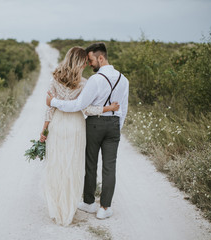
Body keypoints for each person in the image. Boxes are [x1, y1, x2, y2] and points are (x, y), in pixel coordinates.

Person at [46, 42, 129, 220]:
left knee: (90, 164)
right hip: (114, 125)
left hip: (94, 124)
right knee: (110, 167)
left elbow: (79, 105)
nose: (89, 64)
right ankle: (105, 208)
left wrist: (53, 102)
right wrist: (117, 128)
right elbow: (124, 109)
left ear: (100, 58)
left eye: (91, 60)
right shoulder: (124, 79)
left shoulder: (95, 80)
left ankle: (89, 203)